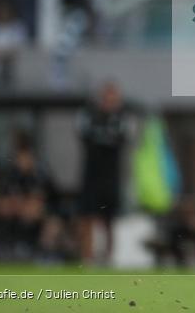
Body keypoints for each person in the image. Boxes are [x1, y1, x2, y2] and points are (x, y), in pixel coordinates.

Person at [77, 81, 128, 263]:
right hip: (91, 177)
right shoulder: (90, 116)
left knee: (109, 220)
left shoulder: (121, 119)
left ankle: (108, 258)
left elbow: (120, 139)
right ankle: (87, 258)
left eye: (113, 98)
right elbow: (83, 136)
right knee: (87, 217)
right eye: (106, 97)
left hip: (110, 179)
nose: (109, 101)